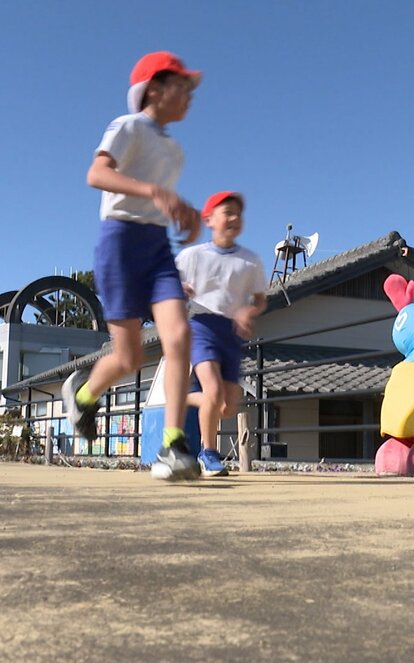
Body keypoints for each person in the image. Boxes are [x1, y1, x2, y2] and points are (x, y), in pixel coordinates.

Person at [63, 51, 203, 481]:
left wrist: (185, 214)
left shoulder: (174, 150)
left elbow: (161, 205)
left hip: (157, 247)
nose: (190, 95)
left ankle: (173, 445)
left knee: (179, 336)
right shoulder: (127, 127)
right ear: (154, 90)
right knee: (128, 357)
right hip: (119, 240)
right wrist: (154, 193)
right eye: (182, 85)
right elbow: (96, 174)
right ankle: (85, 395)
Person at [175, 191, 268, 477]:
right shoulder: (192, 256)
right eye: (226, 212)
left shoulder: (250, 261)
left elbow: (260, 299)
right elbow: (167, 286)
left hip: (231, 334)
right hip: (202, 327)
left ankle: (182, 395)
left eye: (238, 213)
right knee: (213, 393)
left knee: (228, 405)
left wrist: (248, 312)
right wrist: (181, 291)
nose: (234, 218)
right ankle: (209, 453)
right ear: (209, 219)